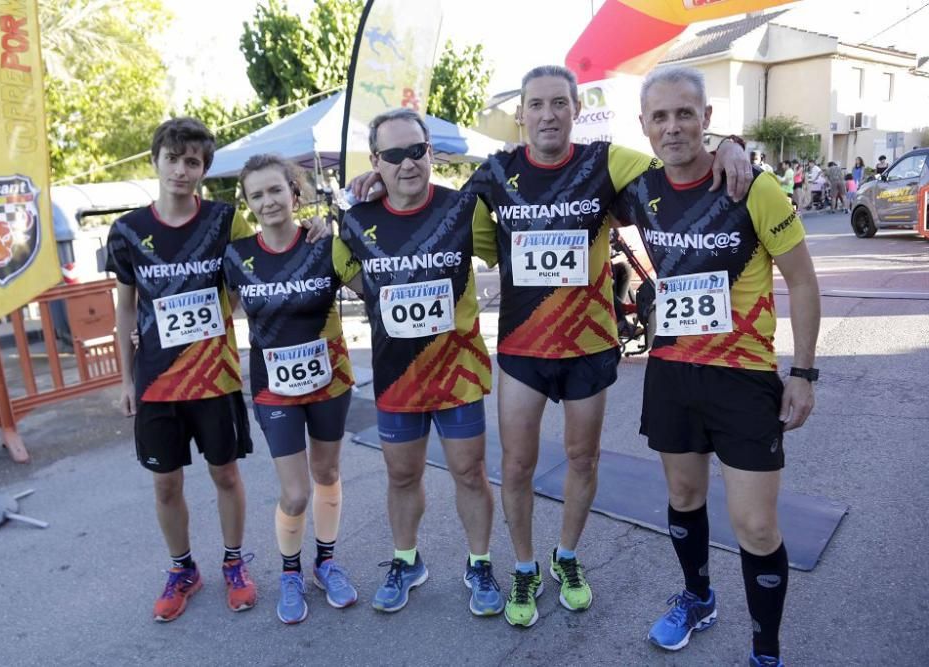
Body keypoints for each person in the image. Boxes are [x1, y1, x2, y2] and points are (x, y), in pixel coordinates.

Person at [350, 66, 752, 629]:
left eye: (559, 103)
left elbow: (681, 161)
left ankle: (567, 557)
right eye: (536, 104)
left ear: (574, 109)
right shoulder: (495, 173)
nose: (547, 114)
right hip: (522, 347)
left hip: (589, 346)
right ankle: (523, 564)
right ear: (522, 114)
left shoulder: (607, 161)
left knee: (583, 458)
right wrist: (376, 189)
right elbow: (431, 213)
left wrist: (729, 144)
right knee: (516, 465)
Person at [611, 65, 820, 667]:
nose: (673, 127)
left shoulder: (751, 187)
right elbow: (563, 165)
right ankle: (699, 598)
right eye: (660, 116)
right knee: (683, 495)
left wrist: (803, 373)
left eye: (685, 114)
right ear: (644, 126)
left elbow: (803, 282)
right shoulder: (638, 186)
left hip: (744, 377)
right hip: (673, 372)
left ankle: (765, 650)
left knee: (755, 525)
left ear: (706, 118)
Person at [334, 109, 503, 617]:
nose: (407, 164)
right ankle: (407, 561)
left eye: (416, 151)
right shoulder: (356, 217)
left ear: (430, 152)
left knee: (469, 472)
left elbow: (509, 251)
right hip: (396, 373)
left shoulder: (465, 208)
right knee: (402, 475)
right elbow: (342, 265)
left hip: (459, 369)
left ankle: (479, 564)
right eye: (393, 155)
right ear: (376, 162)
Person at [105, 117, 260, 622]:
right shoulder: (127, 231)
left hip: (213, 376)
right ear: (156, 161)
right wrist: (126, 380)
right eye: (171, 158)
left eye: (191, 161)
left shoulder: (224, 220)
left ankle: (234, 563)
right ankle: (183, 569)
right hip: (156, 382)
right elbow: (125, 308)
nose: (180, 169)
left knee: (225, 472)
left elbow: (245, 283)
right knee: (165, 484)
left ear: (203, 170)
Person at [222, 154, 358, 624]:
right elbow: (214, 311)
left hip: (330, 378)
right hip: (271, 387)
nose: (268, 201)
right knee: (295, 492)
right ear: (249, 204)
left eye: (275, 190)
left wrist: (350, 223)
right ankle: (290, 572)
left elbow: (374, 287)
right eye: (256, 195)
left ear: (294, 194)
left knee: (327, 472)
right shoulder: (237, 258)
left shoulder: (326, 245)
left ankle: (326, 562)